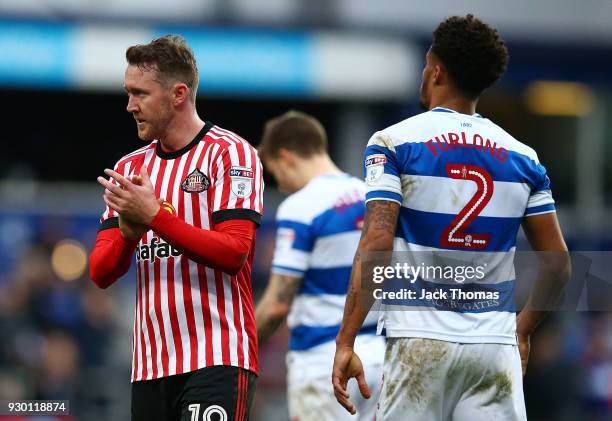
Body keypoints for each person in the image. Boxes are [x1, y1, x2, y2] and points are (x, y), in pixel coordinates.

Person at [332, 15, 570, 421]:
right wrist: (523, 330)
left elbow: (376, 243)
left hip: (420, 342)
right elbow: (559, 264)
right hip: (494, 349)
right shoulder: (524, 158)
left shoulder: (393, 143)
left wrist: (345, 340)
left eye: (426, 66)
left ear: (436, 71)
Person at [89, 35, 264, 421]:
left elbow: (234, 252)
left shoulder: (231, 153)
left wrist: (155, 218)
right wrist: (129, 233)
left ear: (178, 94)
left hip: (217, 355)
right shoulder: (129, 169)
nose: (129, 105)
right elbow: (100, 272)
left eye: (140, 94)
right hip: (150, 366)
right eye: (128, 92)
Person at [255, 111, 384, 420]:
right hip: (381, 359)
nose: (282, 186)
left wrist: (236, 352)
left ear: (285, 157)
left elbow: (277, 305)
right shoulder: (374, 198)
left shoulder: (301, 207)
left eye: (275, 173)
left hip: (324, 363)